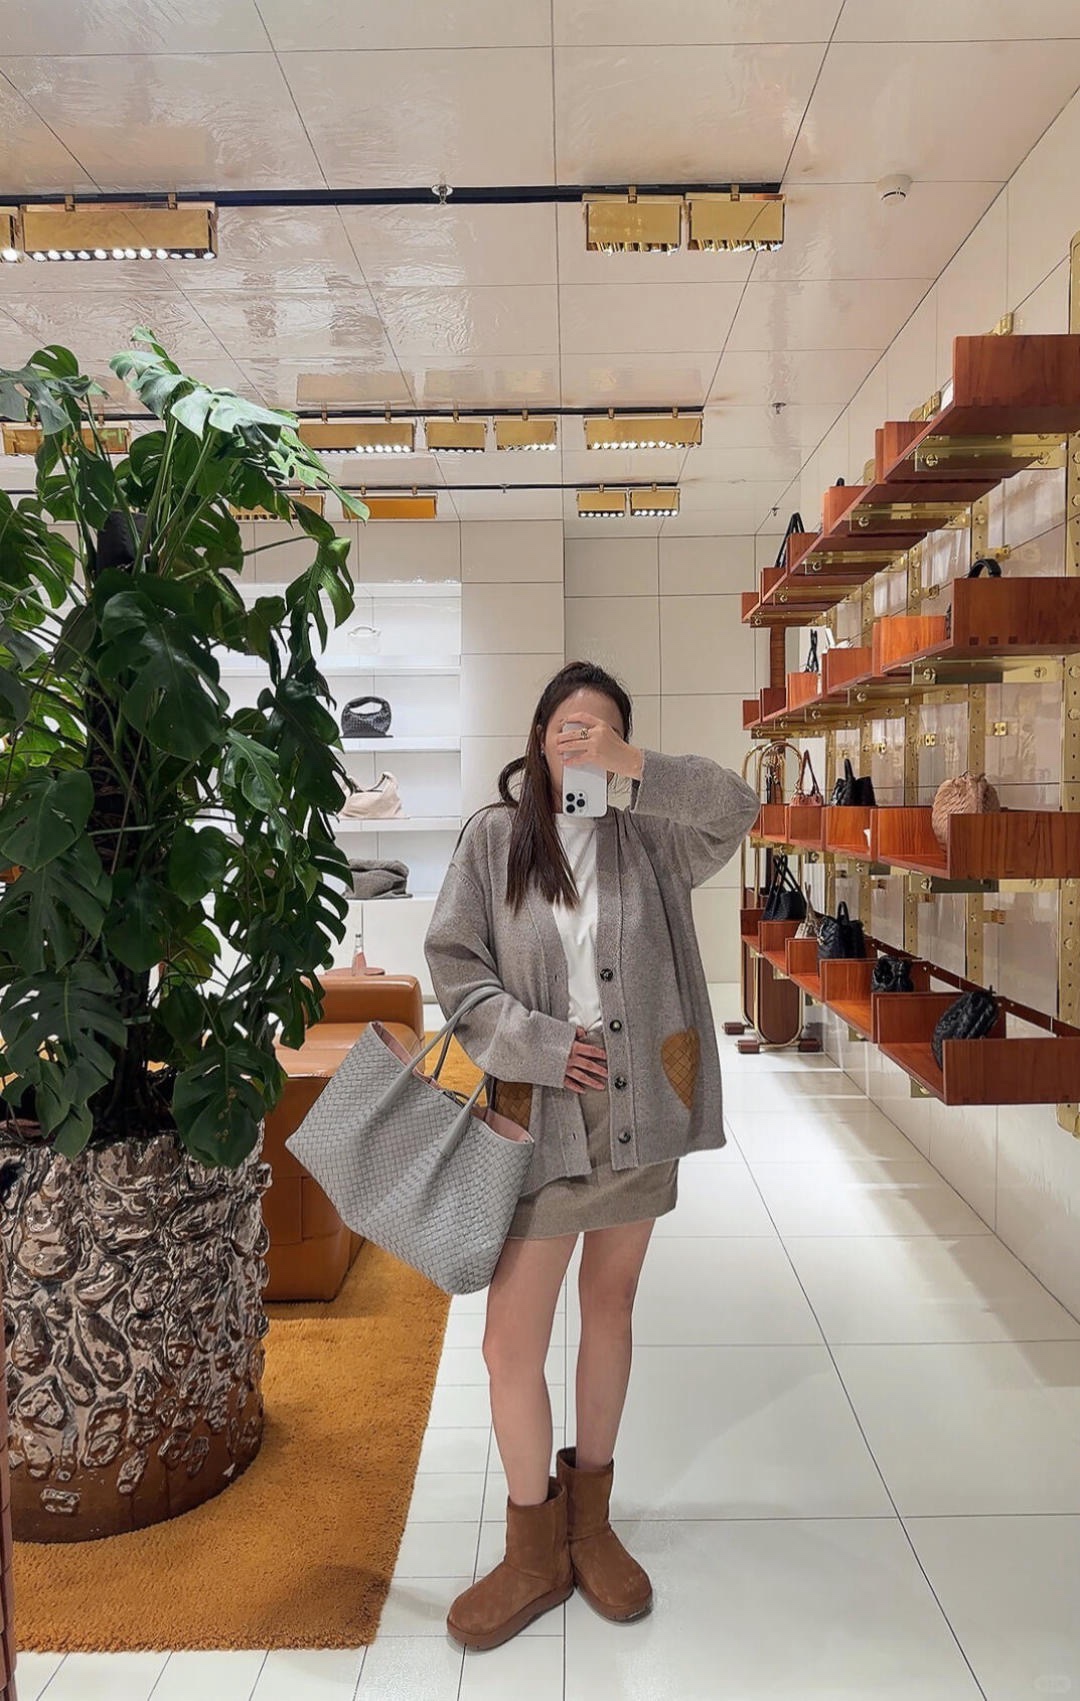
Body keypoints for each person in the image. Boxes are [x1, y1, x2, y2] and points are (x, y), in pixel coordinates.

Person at [424, 660, 760, 1651]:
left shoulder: (651, 835)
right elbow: (455, 967)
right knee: (509, 1344)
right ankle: (533, 1547)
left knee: (610, 1304)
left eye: (600, 730)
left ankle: (592, 1525)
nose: (580, 742)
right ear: (536, 740)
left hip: (641, 1111)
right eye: (566, 728)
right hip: (540, 1117)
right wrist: (533, 1042)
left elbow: (736, 807)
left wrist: (635, 766)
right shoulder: (495, 839)